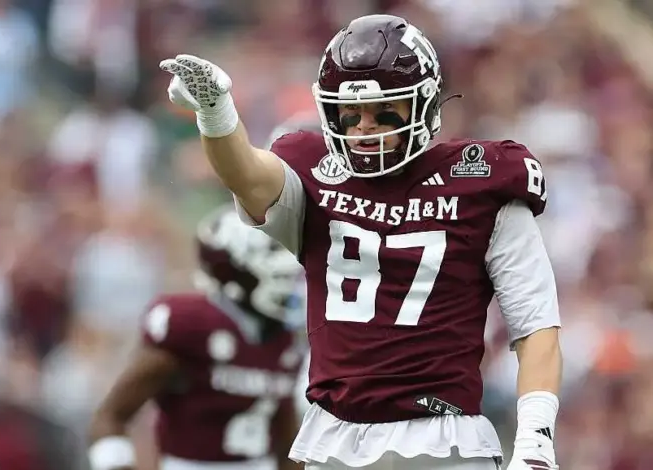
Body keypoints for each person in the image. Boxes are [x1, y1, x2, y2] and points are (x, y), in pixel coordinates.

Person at [159, 13, 562, 470]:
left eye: (383, 109)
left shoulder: (483, 180)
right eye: (350, 113)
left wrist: (535, 439)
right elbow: (247, 175)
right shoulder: (314, 174)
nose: (363, 127)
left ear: (425, 104)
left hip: (445, 438)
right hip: (336, 438)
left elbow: (535, 323)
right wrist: (216, 111)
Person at [87, 204, 306, 470]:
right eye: (279, 274)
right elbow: (111, 416)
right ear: (235, 271)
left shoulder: (282, 338)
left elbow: (286, 442)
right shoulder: (192, 329)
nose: (290, 285)